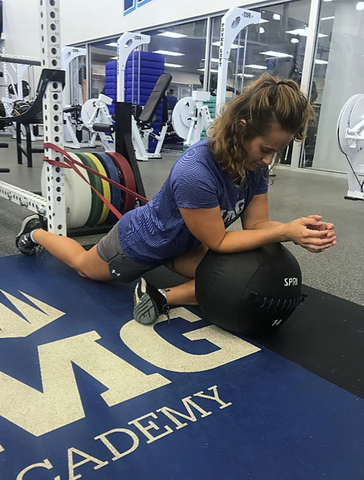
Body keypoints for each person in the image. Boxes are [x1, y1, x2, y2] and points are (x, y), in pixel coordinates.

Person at [16, 73, 336, 325]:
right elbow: (221, 241)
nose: (269, 160)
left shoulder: (254, 166)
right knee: (85, 267)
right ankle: (36, 231)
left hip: (185, 245)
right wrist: (285, 232)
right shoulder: (195, 172)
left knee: (227, 283)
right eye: (266, 149)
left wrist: (299, 231)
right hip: (142, 242)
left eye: (276, 151)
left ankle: (159, 296)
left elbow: (257, 225)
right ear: (242, 129)